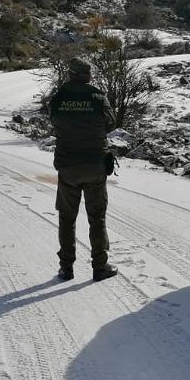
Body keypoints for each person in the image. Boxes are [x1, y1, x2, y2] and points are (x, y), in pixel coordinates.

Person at [48, 58, 117, 282]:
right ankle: (100, 267)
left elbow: (53, 120)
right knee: (97, 217)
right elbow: (111, 123)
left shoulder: (59, 98)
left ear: (69, 74)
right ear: (87, 75)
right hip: (95, 164)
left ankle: (66, 268)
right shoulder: (98, 97)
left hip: (68, 165)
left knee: (67, 218)